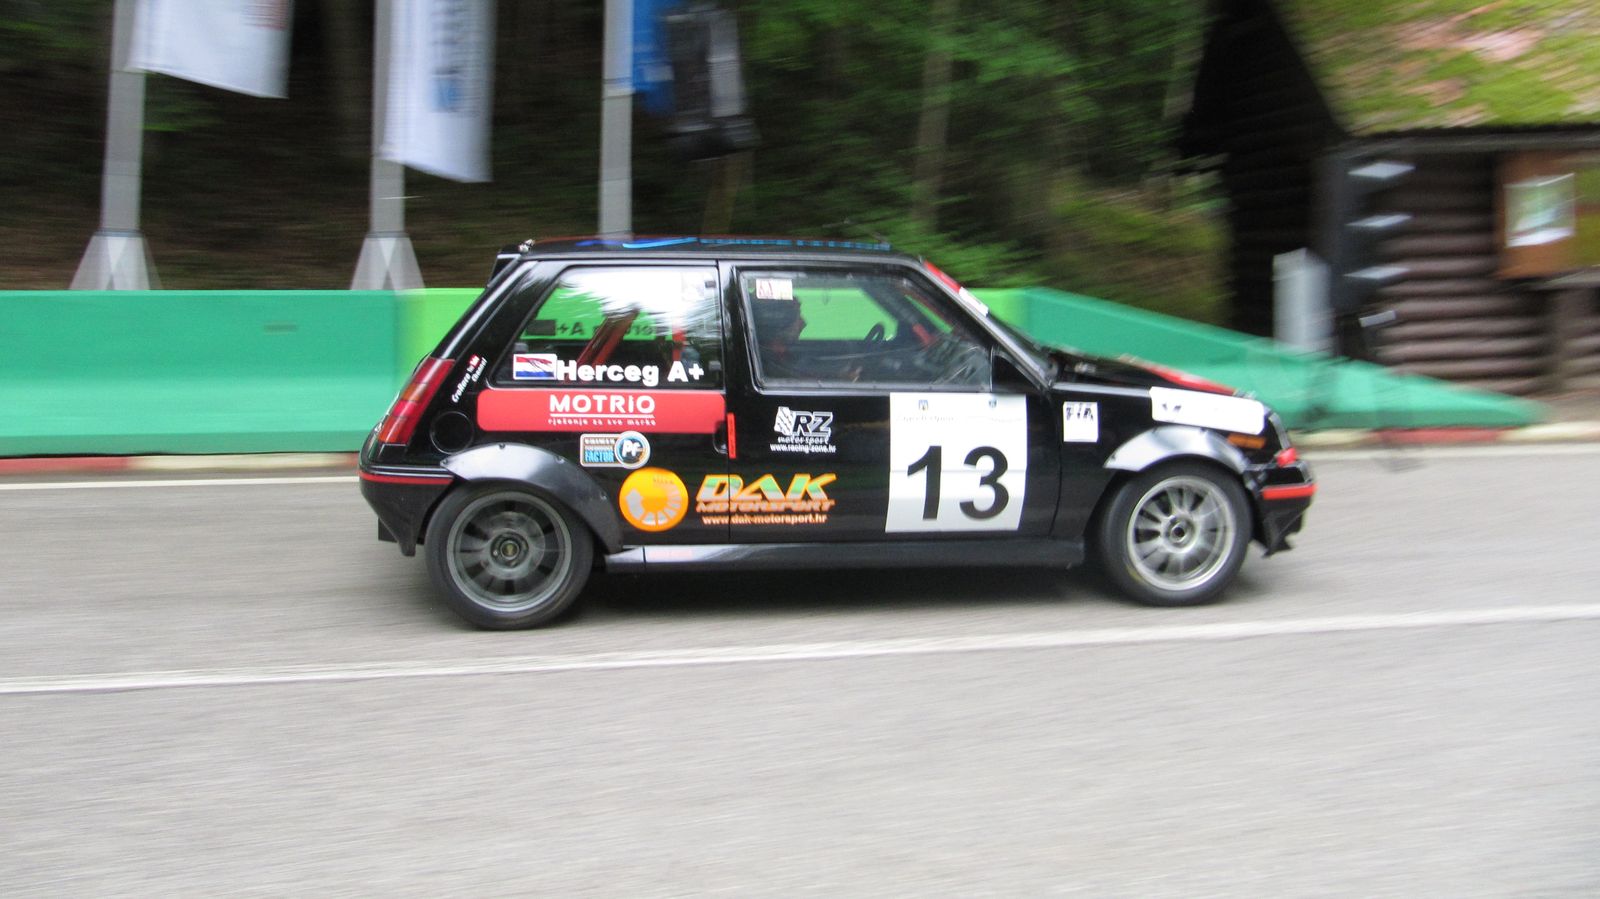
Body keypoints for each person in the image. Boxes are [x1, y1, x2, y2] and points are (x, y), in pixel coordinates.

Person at [751, 298, 808, 380]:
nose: (803, 323)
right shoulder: (764, 368)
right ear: (780, 323)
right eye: (797, 317)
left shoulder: (792, 355)